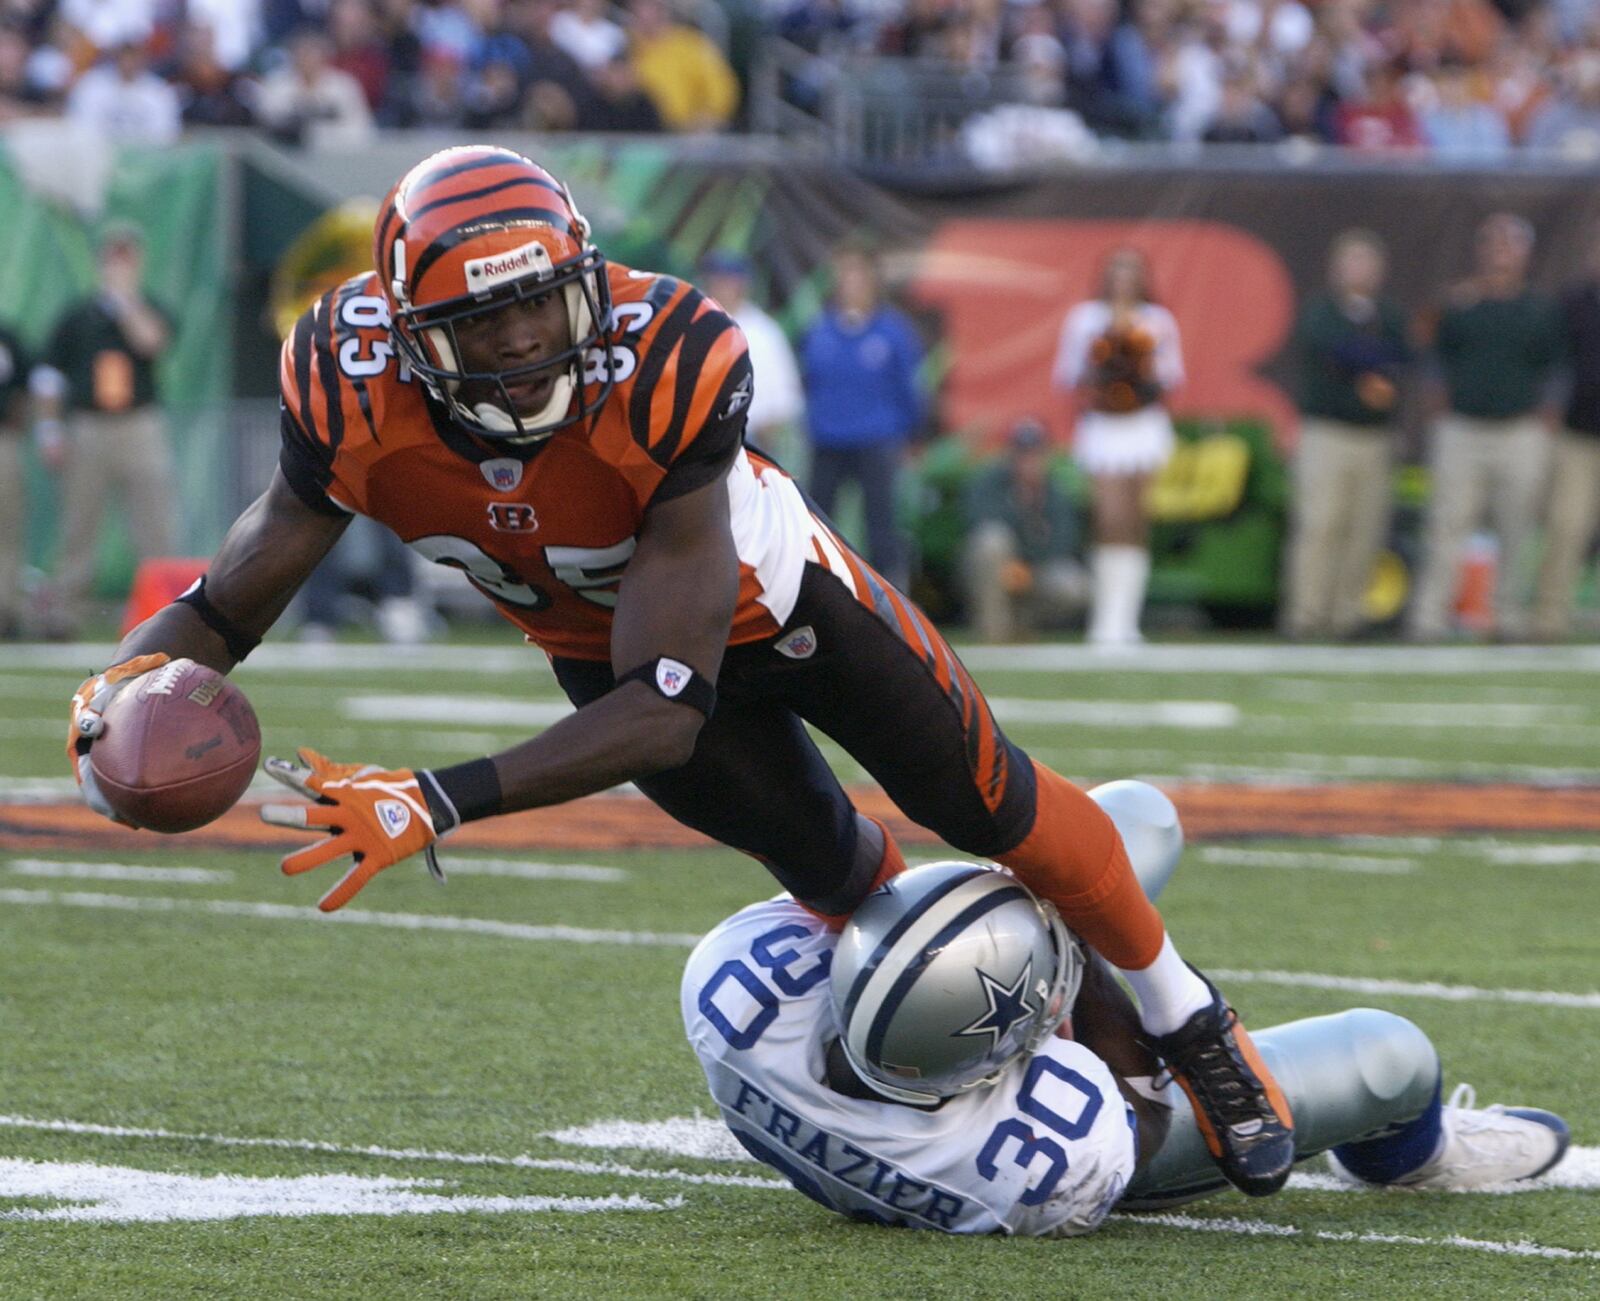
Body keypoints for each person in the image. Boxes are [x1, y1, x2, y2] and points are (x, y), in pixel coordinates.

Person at [66, 147, 1294, 1200]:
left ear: (581, 279)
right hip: (596, 651)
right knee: (831, 868)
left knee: (987, 802)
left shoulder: (668, 358)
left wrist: (433, 797)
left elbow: (662, 707)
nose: (522, 341)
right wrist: (114, 694)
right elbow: (227, 603)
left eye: (542, 304)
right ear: (410, 332)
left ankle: (1191, 1016)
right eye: (485, 323)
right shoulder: (349, 383)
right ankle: (1019, 1021)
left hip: (781, 609)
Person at [683, 782, 1572, 1236]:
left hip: (928, 1085)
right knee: (1391, 1056)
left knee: (1125, 824)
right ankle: (1414, 1157)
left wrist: (1057, 919)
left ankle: (1047, 932)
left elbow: (862, 890)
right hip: (1095, 1145)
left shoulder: (741, 984)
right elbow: (1141, 1094)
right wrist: (1089, 962)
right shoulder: (1023, 1160)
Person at [1407, 213, 1562, 643]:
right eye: (1494, 244)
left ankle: (1509, 618)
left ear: (1525, 254)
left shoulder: (1538, 308)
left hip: (1519, 430)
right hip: (1464, 429)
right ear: (1480, 251)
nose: (1502, 254)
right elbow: (1433, 354)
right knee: (1447, 525)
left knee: (1517, 528)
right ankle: (1430, 618)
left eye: (1511, 245)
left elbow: (1555, 363)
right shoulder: (1460, 304)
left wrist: (1548, 408)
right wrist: (1436, 397)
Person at [34, 224, 176, 641]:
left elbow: (151, 342)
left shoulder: (149, 308)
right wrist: (49, 431)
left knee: (154, 524)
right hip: (89, 426)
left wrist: (125, 302)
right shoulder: (78, 316)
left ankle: (165, 614)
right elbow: (48, 377)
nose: (120, 265)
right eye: (114, 257)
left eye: (127, 257)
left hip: (139, 424)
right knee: (80, 523)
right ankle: (64, 615)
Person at [1282, 230, 1409, 641]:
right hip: (1329, 432)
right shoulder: (1322, 310)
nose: (1360, 270)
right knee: (1320, 524)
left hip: (1374, 436)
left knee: (1364, 529)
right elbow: (1337, 349)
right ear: (1336, 268)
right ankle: (1305, 614)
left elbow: (1405, 355)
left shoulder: (1388, 313)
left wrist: (1375, 359)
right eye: (1353, 261)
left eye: (1368, 261)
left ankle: (1347, 615)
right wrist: (1374, 360)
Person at [1053, 247, 1183, 648]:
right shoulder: (1085, 319)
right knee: (1108, 516)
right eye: (1118, 271)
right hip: (1104, 427)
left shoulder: (1158, 320)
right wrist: (1104, 371)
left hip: (1142, 425)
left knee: (1135, 519)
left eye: (1132, 271)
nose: (1124, 280)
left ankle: (1126, 619)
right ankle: (1104, 618)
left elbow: (1171, 375)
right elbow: (1069, 374)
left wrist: (1139, 370)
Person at [801, 242, 924, 591]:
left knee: (881, 527)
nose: (850, 281)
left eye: (857, 273)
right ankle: (817, 595)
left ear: (873, 280)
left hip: (877, 440)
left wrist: (911, 436)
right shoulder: (820, 331)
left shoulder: (893, 332)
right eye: (844, 274)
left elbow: (910, 388)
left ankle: (894, 604)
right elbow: (807, 383)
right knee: (818, 524)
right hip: (827, 440)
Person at [961, 418, 1084, 642]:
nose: (1029, 461)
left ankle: (1025, 623)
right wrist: (1022, 514)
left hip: (1035, 569)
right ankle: (994, 630)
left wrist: (1028, 563)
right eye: (1023, 454)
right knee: (991, 542)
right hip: (997, 567)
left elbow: (1064, 542)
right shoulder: (991, 482)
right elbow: (978, 520)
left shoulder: (1055, 492)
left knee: (1073, 586)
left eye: (1035, 454)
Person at [1534, 224, 1600, 640]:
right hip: (1579, 432)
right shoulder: (1574, 300)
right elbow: (1552, 360)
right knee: (1569, 526)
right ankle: (1549, 617)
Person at [699, 252, 805, 476]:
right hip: (703, 438)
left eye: (727, 280)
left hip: (752, 438)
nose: (720, 286)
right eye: (715, 279)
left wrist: (768, 439)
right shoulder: (695, 324)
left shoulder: (764, 331)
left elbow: (785, 396)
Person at [0, 320, 30, 639]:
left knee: (5, 529)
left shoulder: (7, 336)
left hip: (2, 439)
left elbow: (25, 385)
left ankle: (5, 610)